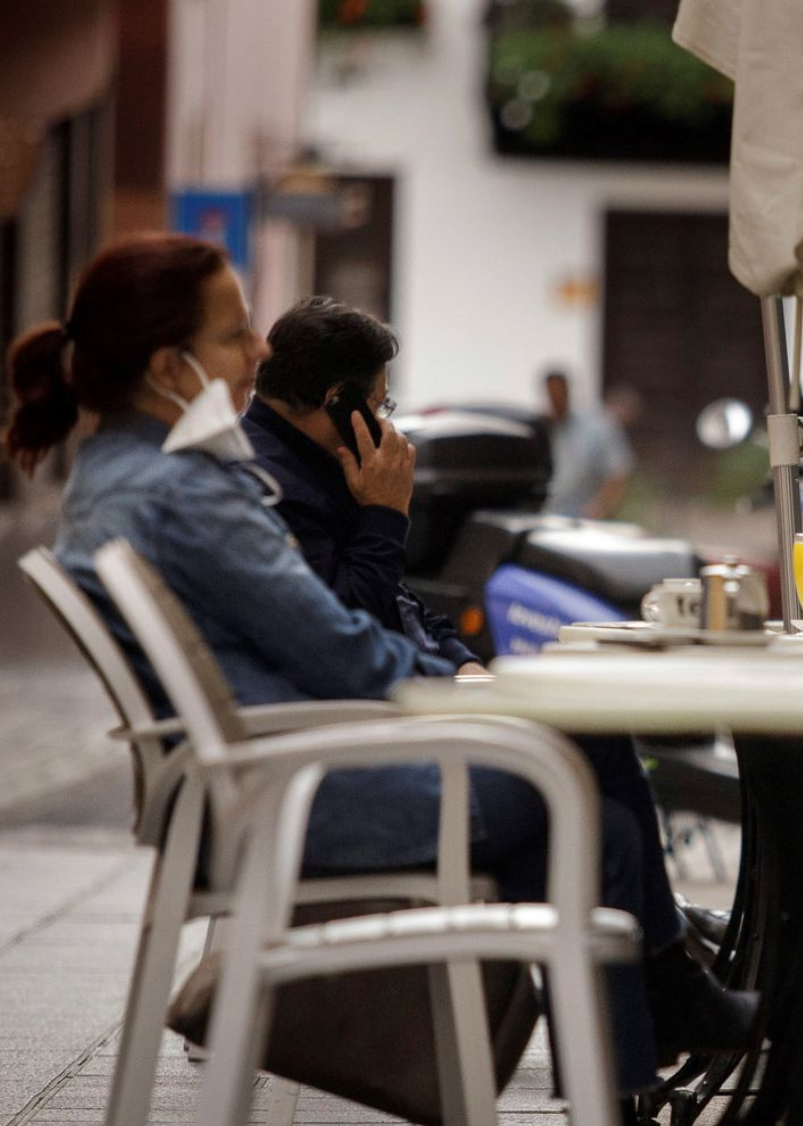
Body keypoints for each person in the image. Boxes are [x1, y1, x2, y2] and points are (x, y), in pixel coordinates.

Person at [1, 237, 746, 1118]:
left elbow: (333, 633)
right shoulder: (182, 490)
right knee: (581, 770)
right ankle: (661, 1017)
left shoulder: (122, 475)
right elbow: (341, 652)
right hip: (302, 790)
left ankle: (628, 1067)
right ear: (170, 364)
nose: (257, 354)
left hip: (271, 778)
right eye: (237, 333)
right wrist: (470, 689)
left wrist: (465, 679)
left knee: (601, 825)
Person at [242, 297, 480, 673]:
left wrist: (457, 656)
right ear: (338, 400)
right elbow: (348, 619)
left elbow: (393, 598)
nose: (385, 426)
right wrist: (385, 513)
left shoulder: (314, 461)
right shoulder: (267, 486)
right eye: (377, 405)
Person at [543, 367, 634, 519]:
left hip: (581, 514)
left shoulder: (597, 427)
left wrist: (600, 506)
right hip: (549, 513)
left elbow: (619, 471)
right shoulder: (547, 428)